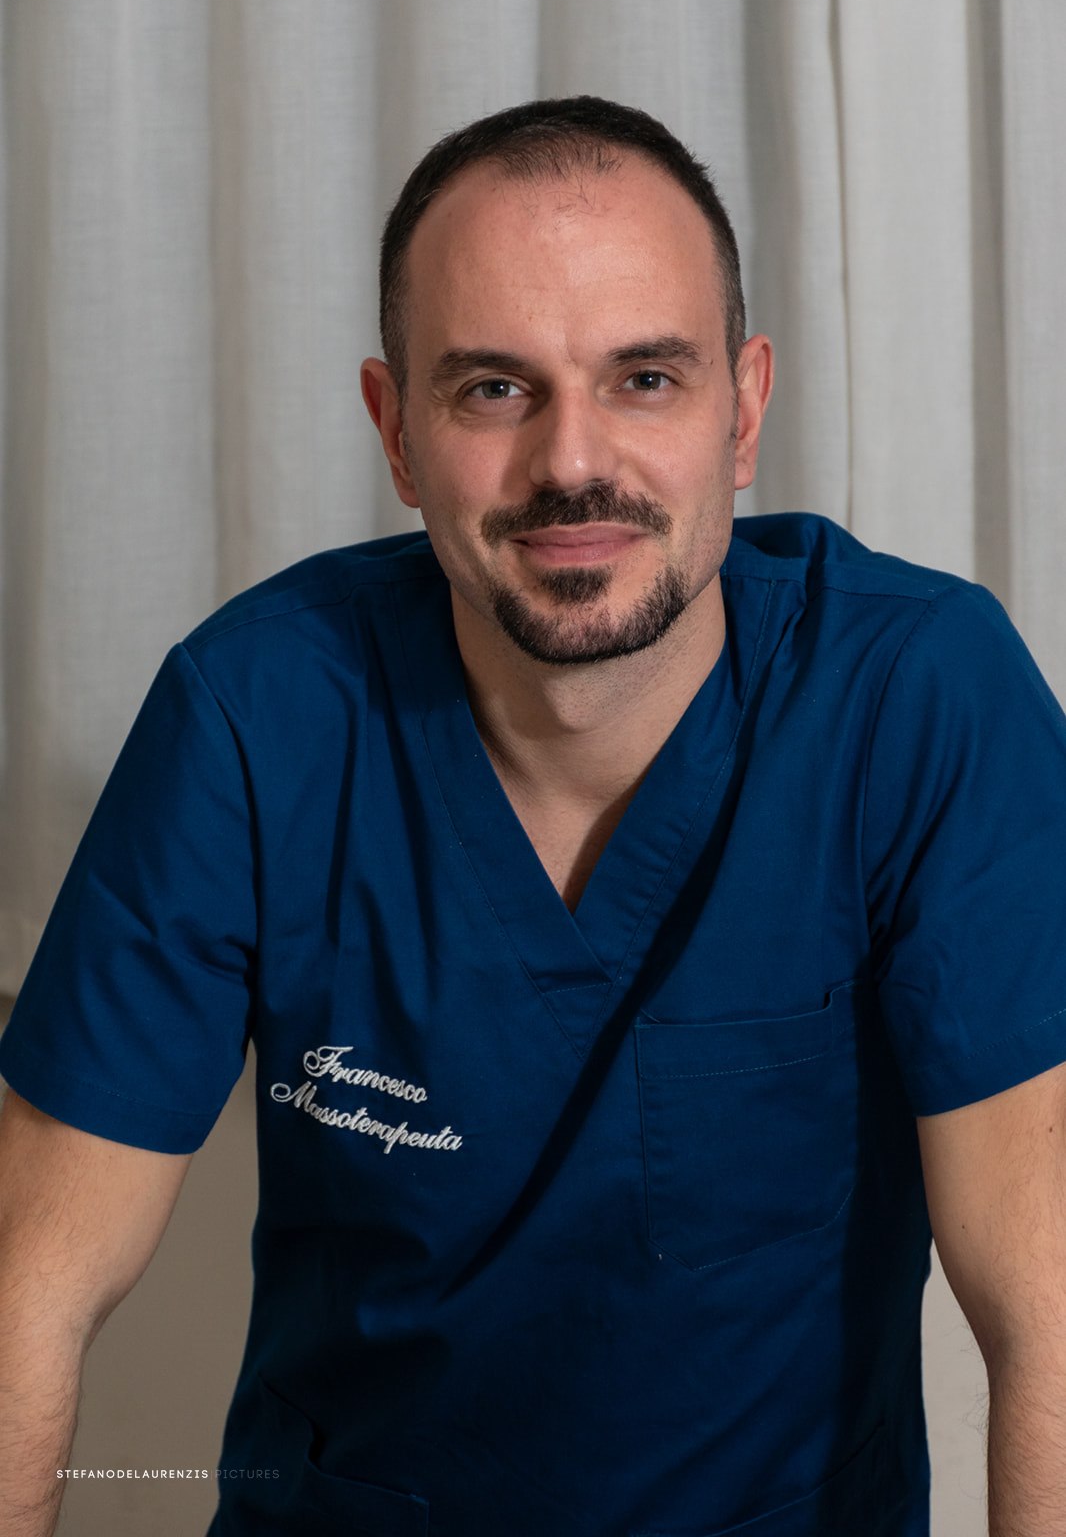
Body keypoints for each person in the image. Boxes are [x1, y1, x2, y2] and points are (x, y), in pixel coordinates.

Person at [1, 95, 1065, 1537]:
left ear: (743, 411)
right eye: (495, 388)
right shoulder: (254, 714)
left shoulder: (918, 697)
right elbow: (29, 1285)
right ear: (396, 430)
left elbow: (1048, 1305)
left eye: (645, 378)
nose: (572, 463)